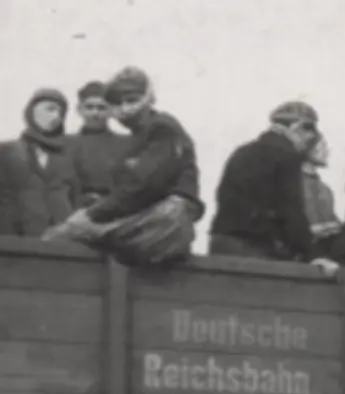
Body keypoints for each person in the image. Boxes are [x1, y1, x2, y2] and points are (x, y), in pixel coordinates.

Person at [43, 68, 203, 265]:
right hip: (155, 219)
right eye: (118, 102)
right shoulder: (137, 139)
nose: (125, 108)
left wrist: (94, 213)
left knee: (60, 236)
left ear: (148, 98)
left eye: (132, 99)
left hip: (165, 219)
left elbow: (145, 186)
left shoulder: (161, 128)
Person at [208, 101, 323, 264]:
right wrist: (313, 254)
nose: (310, 140)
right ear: (296, 127)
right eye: (310, 133)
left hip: (222, 241)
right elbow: (290, 210)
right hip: (254, 248)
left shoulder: (243, 151)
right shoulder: (286, 155)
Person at [0, 88, 77, 237]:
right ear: (31, 111)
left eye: (61, 113)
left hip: (60, 239)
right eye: (50, 109)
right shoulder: (7, 151)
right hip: (16, 237)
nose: (56, 116)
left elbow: (75, 197)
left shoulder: (67, 156)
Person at [67, 81, 129, 208]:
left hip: (114, 211)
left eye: (101, 108)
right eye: (89, 107)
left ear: (111, 110)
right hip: (75, 213)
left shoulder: (125, 143)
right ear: (79, 110)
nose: (95, 113)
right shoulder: (66, 144)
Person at [301, 134, 341, 258]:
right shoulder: (292, 184)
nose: (327, 151)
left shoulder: (325, 189)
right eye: (322, 146)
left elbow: (332, 219)